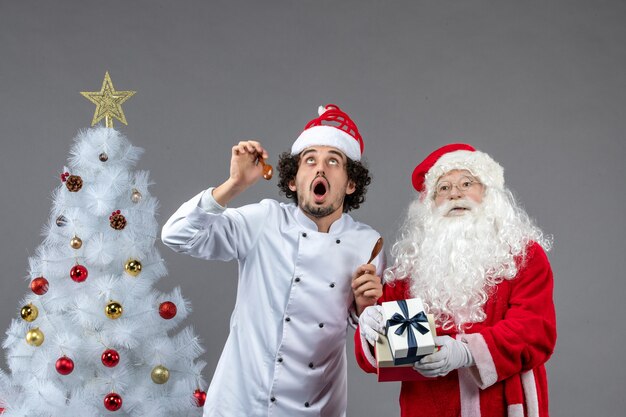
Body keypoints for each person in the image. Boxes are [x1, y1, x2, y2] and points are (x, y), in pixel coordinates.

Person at [161, 104, 383, 417]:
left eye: (334, 161)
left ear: (350, 183)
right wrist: (233, 185)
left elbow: (375, 349)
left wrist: (364, 308)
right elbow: (176, 235)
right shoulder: (264, 220)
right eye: (310, 160)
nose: (320, 169)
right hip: (241, 403)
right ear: (293, 180)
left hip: (318, 407)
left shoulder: (369, 244)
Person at [355, 143, 556, 417]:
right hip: (428, 408)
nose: (455, 194)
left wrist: (467, 352)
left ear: (487, 193)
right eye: (444, 188)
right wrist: (372, 324)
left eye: (466, 183)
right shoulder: (410, 267)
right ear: (430, 203)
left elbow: (534, 331)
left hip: (502, 407)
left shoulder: (523, 255)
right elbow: (389, 356)